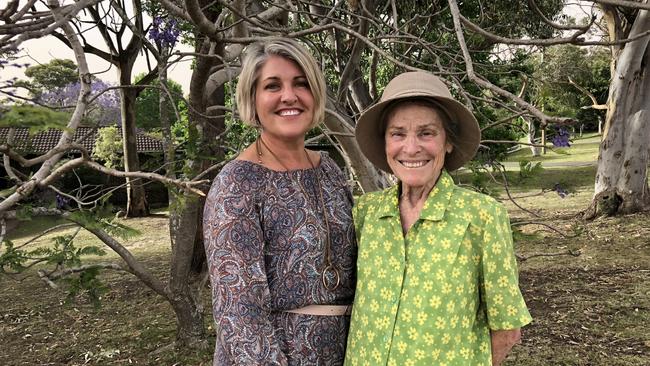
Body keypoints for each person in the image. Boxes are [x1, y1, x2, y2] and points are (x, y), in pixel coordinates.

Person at [344, 71, 532, 366]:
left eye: (426, 133)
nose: (411, 148)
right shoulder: (366, 213)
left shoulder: (481, 216)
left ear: (448, 142)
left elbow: (507, 328)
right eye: (398, 134)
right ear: (385, 143)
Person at [203, 39, 356, 365]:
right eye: (273, 86)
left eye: (301, 84)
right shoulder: (237, 184)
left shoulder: (329, 170)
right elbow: (239, 312)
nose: (290, 96)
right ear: (252, 99)